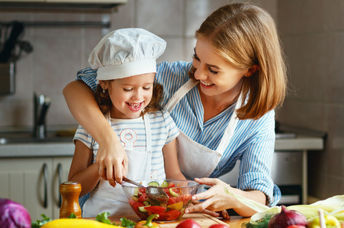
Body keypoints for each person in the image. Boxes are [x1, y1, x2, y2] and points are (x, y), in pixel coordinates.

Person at [64, 2, 286, 217]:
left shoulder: (258, 117)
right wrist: (109, 141)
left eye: (213, 70)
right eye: (197, 58)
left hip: (178, 214)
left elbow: (260, 194)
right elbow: (76, 88)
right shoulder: (171, 77)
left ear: (249, 70)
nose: (198, 74)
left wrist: (232, 196)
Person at [67, 28, 185, 218]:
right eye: (128, 88)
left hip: (149, 221)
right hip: (100, 221)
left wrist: (187, 197)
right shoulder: (91, 126)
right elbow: (74, 187)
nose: (138, 97)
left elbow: (174, 176)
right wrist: (100, 168)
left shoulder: (161, 122)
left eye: (147, 87)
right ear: (105, 83)